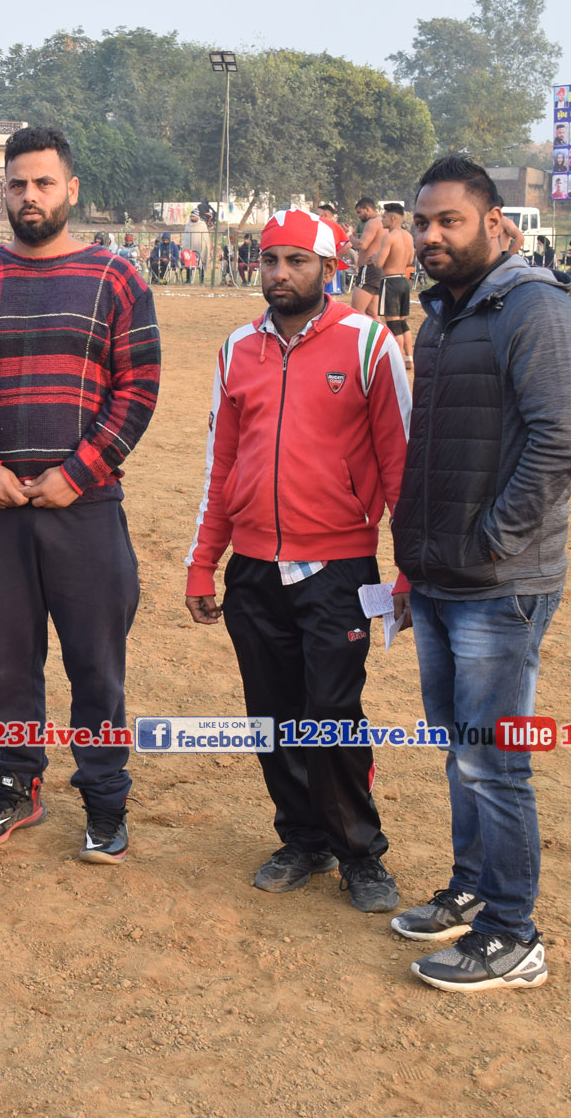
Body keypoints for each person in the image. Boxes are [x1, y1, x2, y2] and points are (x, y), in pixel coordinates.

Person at [0, 126, 160, 865]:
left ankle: (105, 799)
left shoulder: (116, 278)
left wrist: (80, 471)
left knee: (96, 665)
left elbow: (138, 388)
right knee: (8, 662)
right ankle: (17, 784)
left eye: (44, 183)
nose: (30, 197)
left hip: (85, 510)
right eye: (18, 185)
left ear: (71, 189)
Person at [390, 155, 571, 993]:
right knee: (460, 750)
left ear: (496, 224)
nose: (431, 236)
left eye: (450, 221)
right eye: (423, 223)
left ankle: (514, 933)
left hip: (500, 584)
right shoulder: (442, 316)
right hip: (440, 575)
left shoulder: (534, 309)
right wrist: (416, 552)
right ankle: (472, 886)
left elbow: (561, 438)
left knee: (496, 760)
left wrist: (492, 541)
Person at [184, 207, 410, 913]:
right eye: (270, 260)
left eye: (296, 261)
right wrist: (203, 561)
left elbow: (402, 467)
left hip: (338, 568)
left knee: (332, 712)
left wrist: (411, 567)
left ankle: (359, 853)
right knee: (271, 713)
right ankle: (303, 839)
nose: (279, 274)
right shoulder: (237, 349)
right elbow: (222, 465)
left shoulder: (369, 344)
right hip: (253, 568)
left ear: (329, 269)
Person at [377, 203, 417, 365]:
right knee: (402, 322)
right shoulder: (408, 236)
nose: (382, 220)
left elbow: (379, 262)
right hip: (403, 280)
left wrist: (374, 257)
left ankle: (398, 360)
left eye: (384, 217)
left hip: (390, 281)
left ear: (393, 219)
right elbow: (409, 260)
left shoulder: (389, 237)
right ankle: (409, 357)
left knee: (393, 323)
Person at [347, 199, 384, 317]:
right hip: (378, 269)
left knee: (356, 312)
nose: (358, 216)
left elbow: (362, 245)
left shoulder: (372, 223)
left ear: (367, 209)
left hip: (369, 269)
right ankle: (383, 331)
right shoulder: (383, 222)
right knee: (372, 313)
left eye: (359, 212)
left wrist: (349, 235)